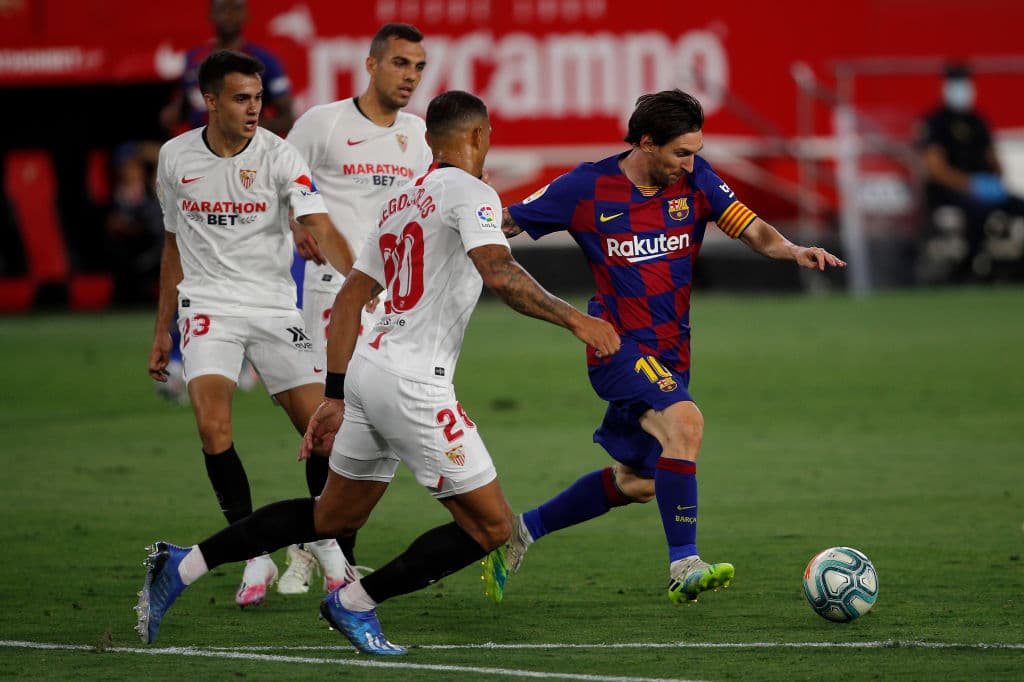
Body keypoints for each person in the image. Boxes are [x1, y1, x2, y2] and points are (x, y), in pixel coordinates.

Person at [135, 89, 620, 654]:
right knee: (491, 528)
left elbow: (349, 301)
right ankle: (353, 603)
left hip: (368, 370)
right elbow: (498, 270)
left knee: (331, 515)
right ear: (480, 136)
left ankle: (183, 563)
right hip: (414, 385)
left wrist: (337, 394)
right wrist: (576, 321)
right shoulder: (474, 193)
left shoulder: (401, 201)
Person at [481, 89, 847, 606]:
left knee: (638, 483)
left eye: (695, 150)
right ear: (646, 143)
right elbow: (506, 221)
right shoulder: (587, 187)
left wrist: (792, 250)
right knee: (686, 424)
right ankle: (684, 565)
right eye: (681, 152)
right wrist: (458, 213)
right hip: (615, 345)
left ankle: (519, 533)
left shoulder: (696, 180)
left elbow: (750, 227)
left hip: (671, 354)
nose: (690, 162)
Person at [148, 50, 354, 608]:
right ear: (209, 101)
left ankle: (330, 549)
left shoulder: (280, 156)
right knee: (213, 429)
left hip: (271, 307)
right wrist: (163, 330)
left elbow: (320, 224)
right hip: (208, 306)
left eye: (259, 98)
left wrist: (364, 287)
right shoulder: (174, 158)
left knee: (323, 432)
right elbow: (173, 246)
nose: (254, 109)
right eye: (242, 99)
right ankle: (253, 553)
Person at [276, 22, 432, 595]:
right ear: (370, 65)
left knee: (372, 430)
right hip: (330, 294)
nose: (410, 76)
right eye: (400, 64)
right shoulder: (323, 123)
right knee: (331, 424)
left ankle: (328, 549)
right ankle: (317, 553)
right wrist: (294, 223)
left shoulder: (418, 135)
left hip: (391, 303)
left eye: (418, 67)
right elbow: (279, 179)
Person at [916, 63, 1024, 282]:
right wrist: (970, 185)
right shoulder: (936, 122)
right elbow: (936, 169)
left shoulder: (977, 120)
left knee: (1017, 206)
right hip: (949, 191)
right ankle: (969, 267)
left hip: (982, 187)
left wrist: (994, 181)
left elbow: (993, 158)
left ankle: (1014, 265)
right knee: (976, 211)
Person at [161, 0, 294, 137]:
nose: (228, 15)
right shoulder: (193, 58)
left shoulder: (265, 61)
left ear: (245, 14)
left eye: (235, 9)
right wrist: (172, 113)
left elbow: (287, 119)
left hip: (245, 148)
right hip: (200, 147)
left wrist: (243, 126)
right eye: (222, 9)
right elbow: (184, 106)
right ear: (211, 14)